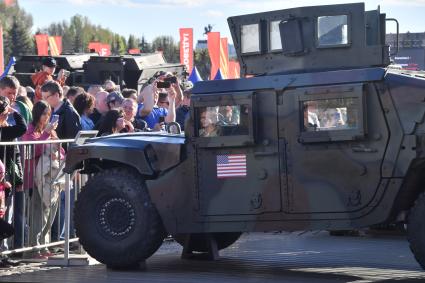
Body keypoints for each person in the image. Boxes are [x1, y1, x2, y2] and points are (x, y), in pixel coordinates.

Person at [22, 101, 61, 258]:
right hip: (34, 179)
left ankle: (43, 246)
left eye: (49, 114)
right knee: (37, 214)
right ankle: (33, 248)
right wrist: (46, 133)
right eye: (44, 114)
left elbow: (60, 149)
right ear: (37, 114)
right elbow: (31, 150)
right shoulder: (29, 130)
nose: (46, 117)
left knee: (49, 212)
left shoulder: (49, 131)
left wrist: (56, 151)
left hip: (49, 179)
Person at [0, 96, 27, 250]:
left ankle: (3, 252)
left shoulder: (6, 128)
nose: (7, 116)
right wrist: (15, 111)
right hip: (2, 180)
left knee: (5, 215)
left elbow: (15, 156)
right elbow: (22, 128)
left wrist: (18, 179)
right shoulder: (4, 131)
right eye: (4, 114)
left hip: (7, 179)